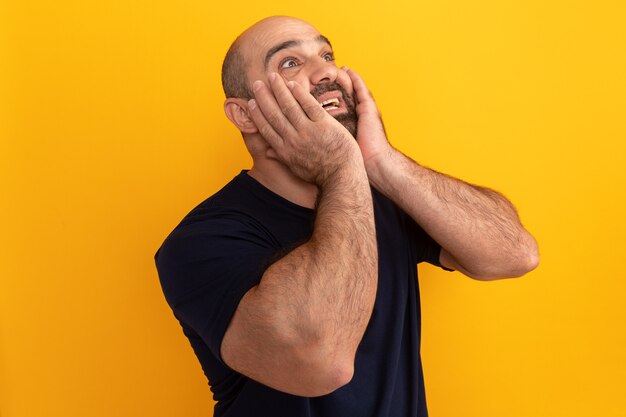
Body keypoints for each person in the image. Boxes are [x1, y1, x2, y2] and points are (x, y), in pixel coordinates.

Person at [154, 15, 539, 417]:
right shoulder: (201, 242)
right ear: (244, 115)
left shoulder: (384, 199)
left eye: (326, 54)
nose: (326, 72)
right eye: (290, 63)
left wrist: (381, 160)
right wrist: (340, 166)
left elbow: (515, 255)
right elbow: (323, 363)